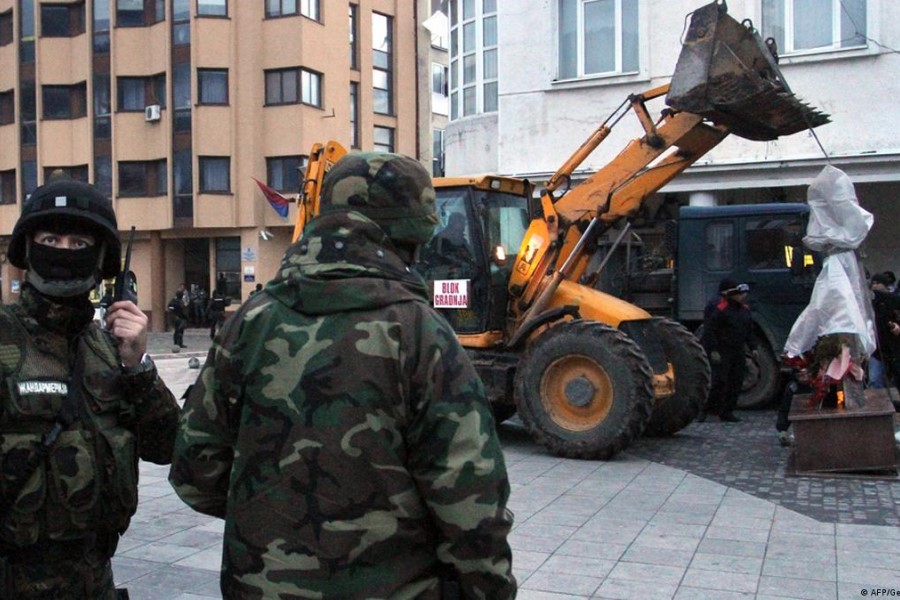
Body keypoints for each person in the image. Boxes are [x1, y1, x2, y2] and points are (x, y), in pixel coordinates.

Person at [169, 151, 516, 599]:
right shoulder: (421, 332)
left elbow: (196, 473)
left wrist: (277, 523)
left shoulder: (249, 322)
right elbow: (472, 502)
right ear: (411, 238)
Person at [0, 177, 180, 599]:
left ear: (101, 258)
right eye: (50, 238)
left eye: (79, 244)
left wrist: (138, 365)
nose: (63, 251)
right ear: (27, 249)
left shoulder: (108, 348)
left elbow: (168, 445)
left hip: (94, 578)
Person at [699, 278, 753, 423]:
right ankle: (705, 410)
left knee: (736, 382)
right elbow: (710, 329)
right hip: (722, 350)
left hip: (737, 350)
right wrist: (713, 349)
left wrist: (753, 347)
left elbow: (748, 330)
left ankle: (727, 412)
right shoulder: (720, 309)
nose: (744, 296)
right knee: (719, 381)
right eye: (740, 294)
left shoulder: (745, 310)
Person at [869, 272, 900, 396]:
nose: (874, 286)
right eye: (873, 283)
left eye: (878, 283)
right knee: (875, 380)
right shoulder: (870, 302)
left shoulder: (894, 301)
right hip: (876, 349)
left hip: (894, 347)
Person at [775, 362, 813, 446]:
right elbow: (785, 408)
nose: (804, 378)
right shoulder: (793, 388)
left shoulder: (816, 385)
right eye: (801, 376)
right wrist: (782, 429)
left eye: (806, 375)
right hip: (798, 418)